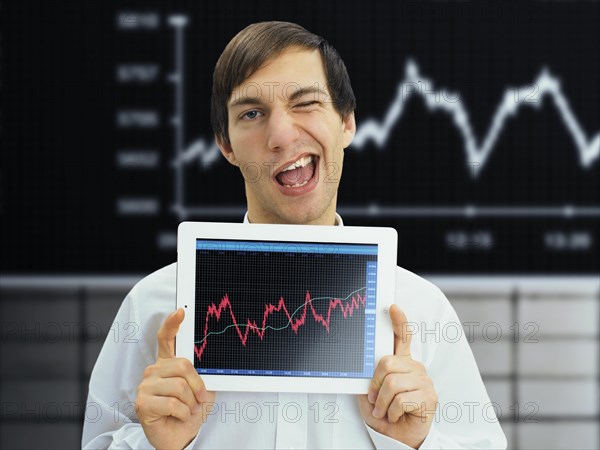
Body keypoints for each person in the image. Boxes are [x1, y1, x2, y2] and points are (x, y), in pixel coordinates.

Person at [82, 21, 507, 449]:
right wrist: (157, 447)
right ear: (225, 145)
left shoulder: (423, 310)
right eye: (252, 113)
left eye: (305, 103)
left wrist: (415, 444)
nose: (282, 135)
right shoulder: (154, 304)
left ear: (346, 122)